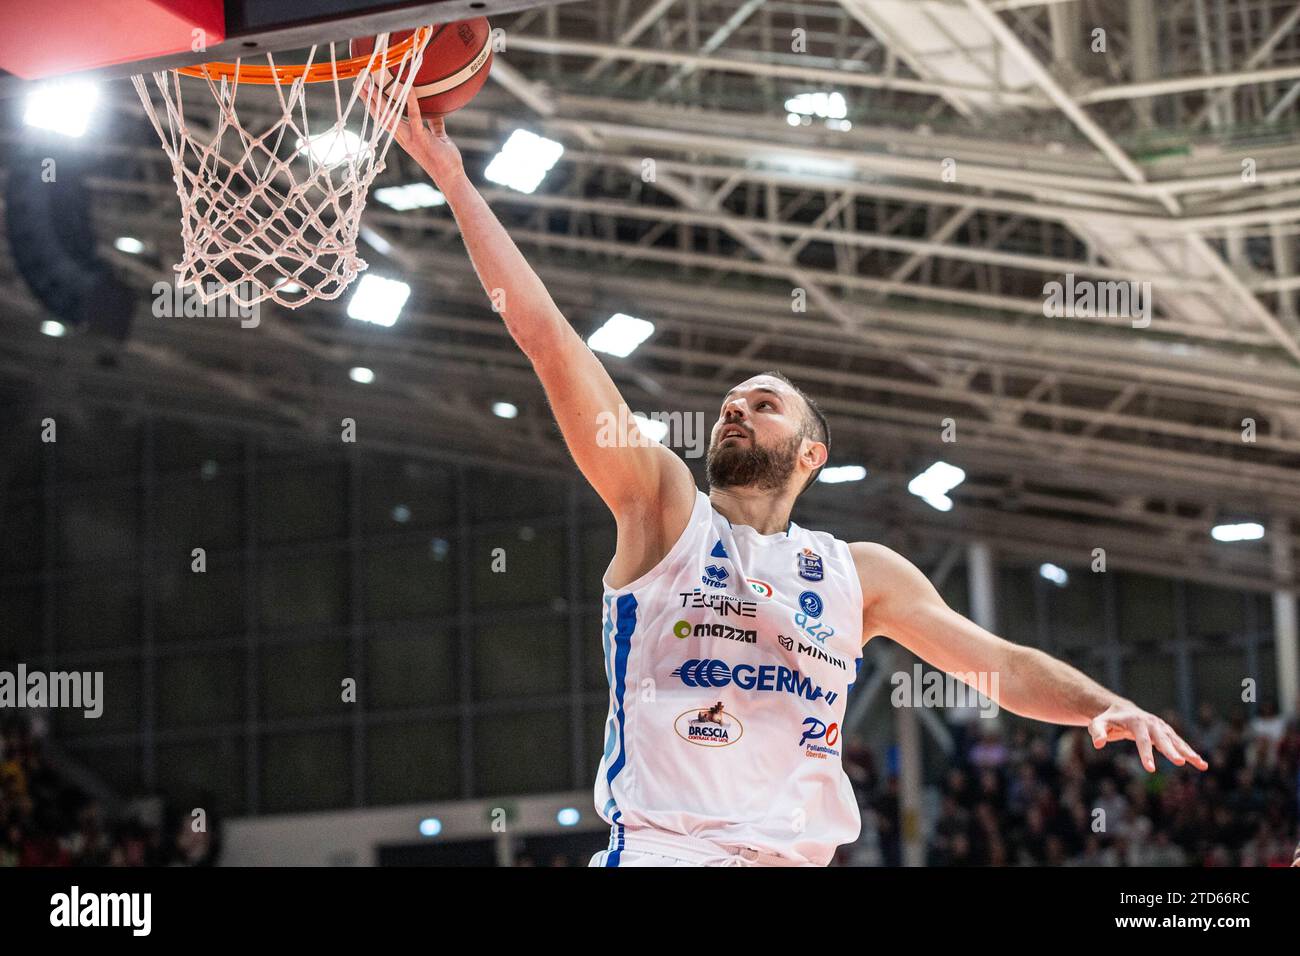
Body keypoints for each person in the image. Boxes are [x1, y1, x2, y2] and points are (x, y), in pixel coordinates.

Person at [368, 89, 1209, 867]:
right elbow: (551, 343)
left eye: (763, 404)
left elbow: (1000, 665)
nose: (735, 410)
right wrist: (454, 179)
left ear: (812, 452)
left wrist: (1104, 704)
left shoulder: (861, 575)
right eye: (730, 403)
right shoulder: (663, 510)